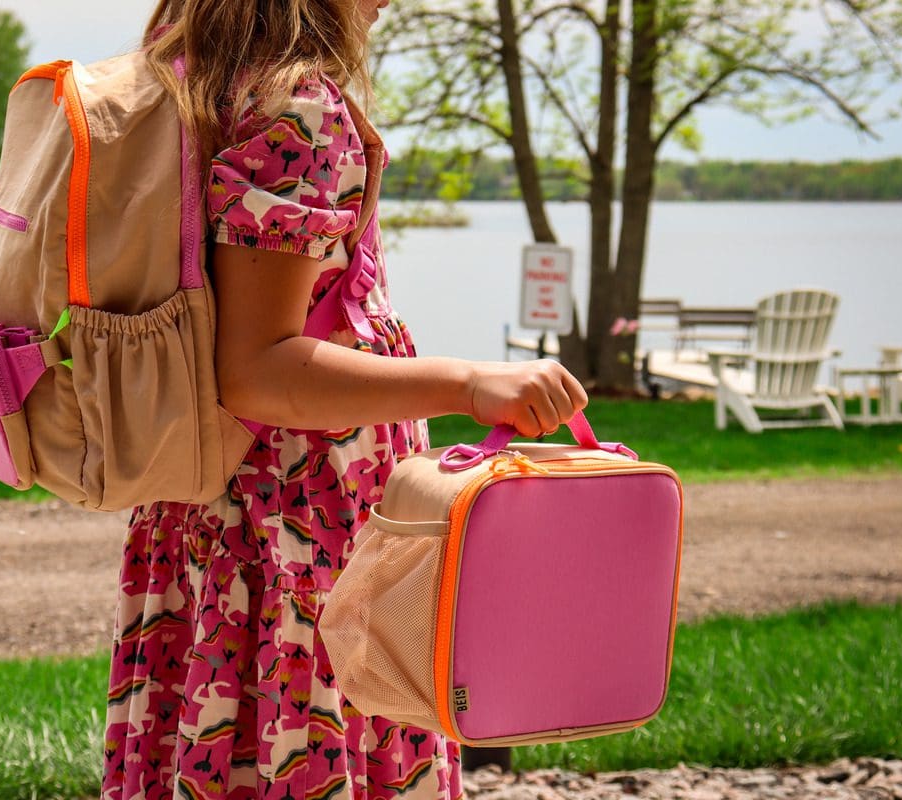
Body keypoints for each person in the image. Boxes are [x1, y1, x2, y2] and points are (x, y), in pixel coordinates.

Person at [102, 2, 589, 798]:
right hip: (296, 527)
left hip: (204, 507)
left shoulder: (180, 79)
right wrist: (469, 383)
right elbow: (258, 370)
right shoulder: (295, 106)